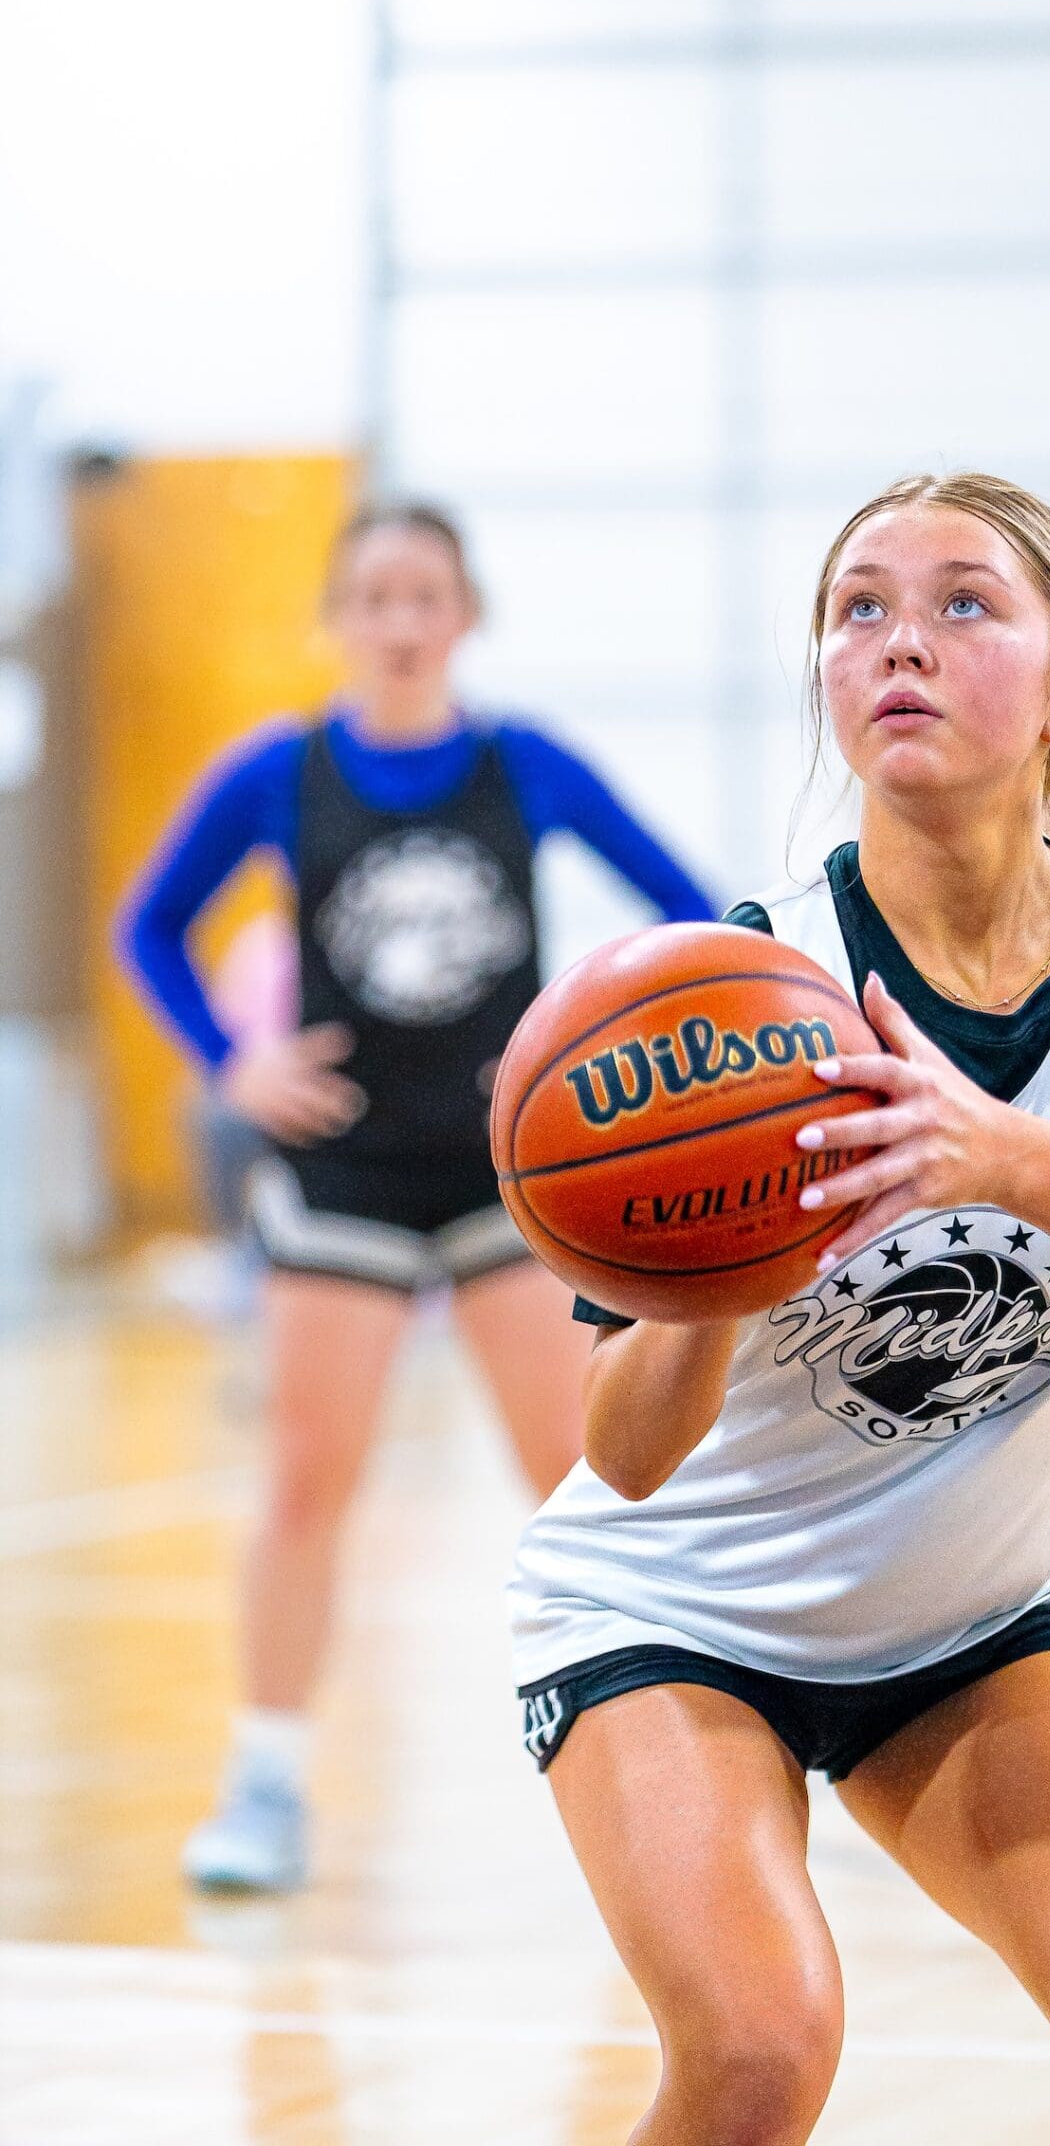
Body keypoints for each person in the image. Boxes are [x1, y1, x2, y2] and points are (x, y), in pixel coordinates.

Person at [509, 472, 1050, 2146]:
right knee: (759, 2052)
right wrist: (730, 1279)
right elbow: (625, 1454)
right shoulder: (735, 984)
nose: (897, 644)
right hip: (679, 1611)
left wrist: (990, 1152)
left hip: (978, 1617)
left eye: (959, 604)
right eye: (856, 608)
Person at [119, 501, 716, 1897]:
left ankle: (675, 1762)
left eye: (422, 596)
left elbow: (690, 915)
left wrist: (624, 1065)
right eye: (372, 596)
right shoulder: (276, 772)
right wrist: (230, 1063)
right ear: (337, 616)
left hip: (513, 1177)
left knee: (583, 1488)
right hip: (340, 1172)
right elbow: (147, 927)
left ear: (464, 616)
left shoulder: (528, 764)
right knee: (305, 1480)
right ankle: (266, 1780)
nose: (397, 621)